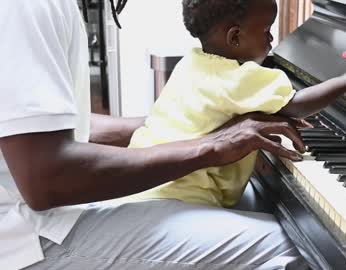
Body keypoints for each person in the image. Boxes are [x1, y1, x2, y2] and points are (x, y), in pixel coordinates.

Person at [0, 0, 315, 269]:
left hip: (44, 213)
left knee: (260, 206)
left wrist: (186, 121)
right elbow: (45, 179)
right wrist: (212, 145)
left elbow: (55, 128)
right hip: (29, 237)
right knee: (303, 246)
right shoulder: (29, 7)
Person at [120, 0, 346, 208]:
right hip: (189, 198)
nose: (272, 39)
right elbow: (296, 105)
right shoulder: (238, 77)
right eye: (266, 30)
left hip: (151, 186)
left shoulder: (191, 62)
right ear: (235, 37)